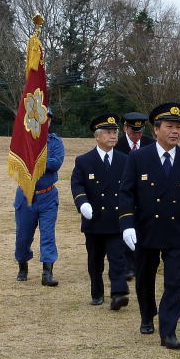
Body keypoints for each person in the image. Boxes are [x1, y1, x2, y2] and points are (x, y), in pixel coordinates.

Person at [119, 102, 180, 350]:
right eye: (169, 127)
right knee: (145, 277)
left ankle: (169, 330)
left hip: (177, 229)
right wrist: (127, 224)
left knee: (174, 280)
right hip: (146, 228)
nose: (175, 132)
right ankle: (147, 314)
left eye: (178, 127)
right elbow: (126, 193)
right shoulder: (138, 157)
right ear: (156, 129)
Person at [71, 113, 129, 309]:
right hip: (94, 221)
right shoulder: (84, 161)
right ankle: (97, 291)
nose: (113, 136)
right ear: (97, 136)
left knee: (117, 258)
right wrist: (82, 204)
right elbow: (77, 185)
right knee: (95, 261)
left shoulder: (124, 160)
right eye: (108, 132)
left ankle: (119, 293)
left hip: (116, 220)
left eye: (115, 132)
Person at [14, 115, 65, 286]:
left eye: (47, 119)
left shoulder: (55, 142)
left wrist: (35, 159)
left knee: (48, 235)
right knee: (23, 236)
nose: (44, 123)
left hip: (48, 196)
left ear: (50, 122)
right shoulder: (23, 140)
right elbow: (17, 162)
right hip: (26, 195)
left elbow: (56, 163)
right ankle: (22, 266)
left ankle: (47, 272)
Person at [114, 112, 154, 281]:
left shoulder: (150, 144)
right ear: (125, 128)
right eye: (133, 131)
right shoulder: (117, 145)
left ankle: (139, 262)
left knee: (143, 228)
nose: (137, 135)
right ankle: (128, 265)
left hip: (145, 194)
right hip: (123, 193)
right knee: (126, 227)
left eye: (140, 131)